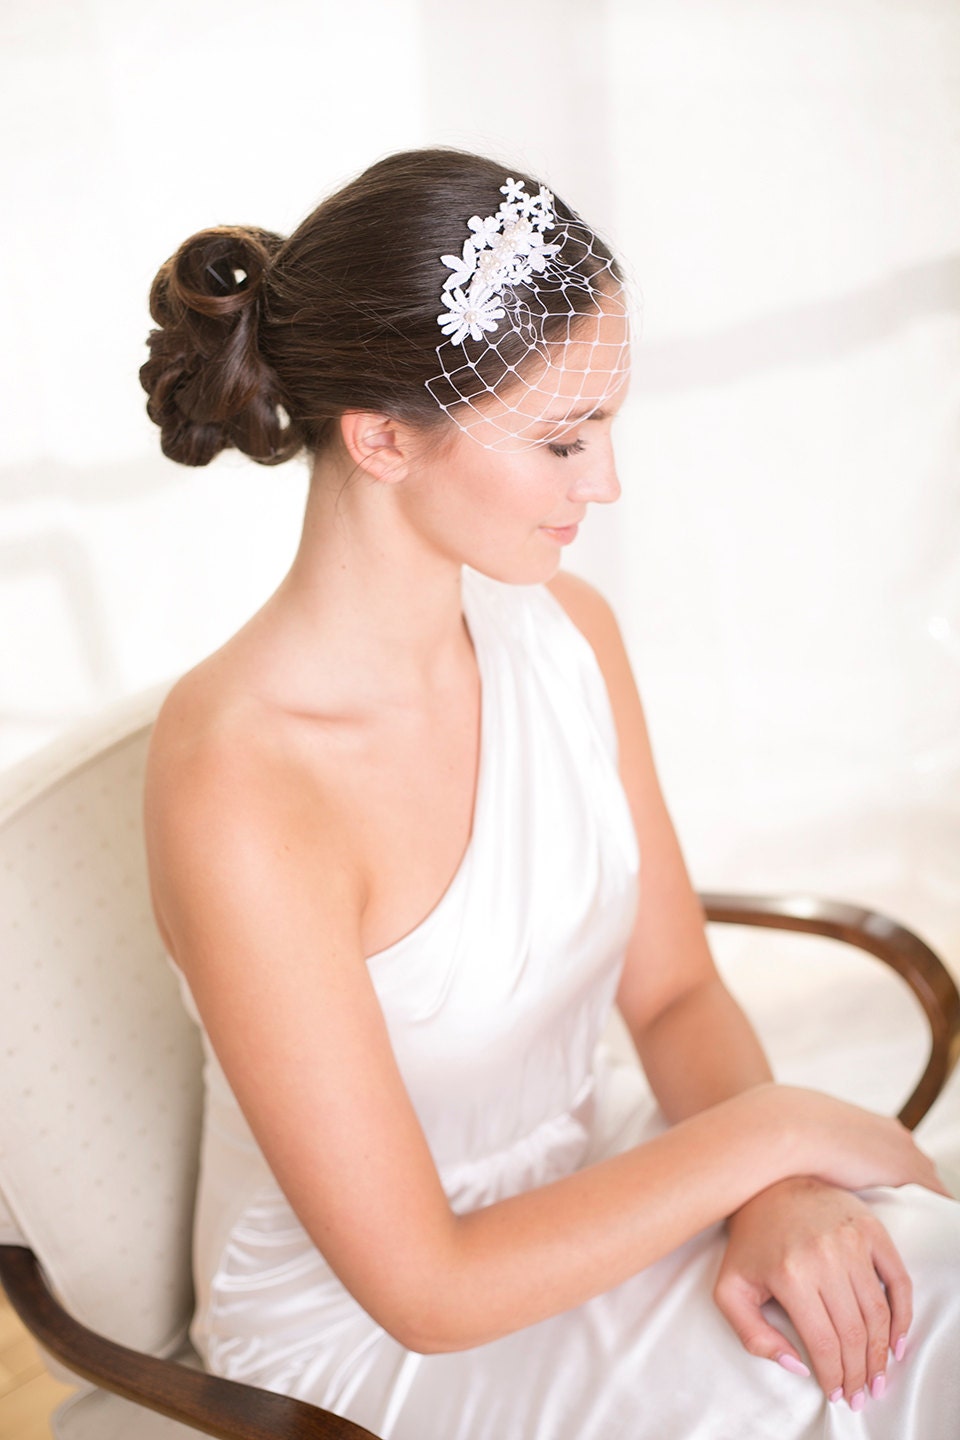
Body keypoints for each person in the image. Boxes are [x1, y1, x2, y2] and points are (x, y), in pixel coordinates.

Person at [140, 147, 960, 1440]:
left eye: (608, 425)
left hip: (597, 1171)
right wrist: (779, 1131)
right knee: (848, 1377)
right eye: (563, 439)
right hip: (371, 1332)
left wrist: (781, 1191)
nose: (606, 483)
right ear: (382, 438)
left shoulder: (567, 633)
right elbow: (428, 1290)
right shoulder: (240, 788)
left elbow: (675, 995)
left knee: (921, 1289)